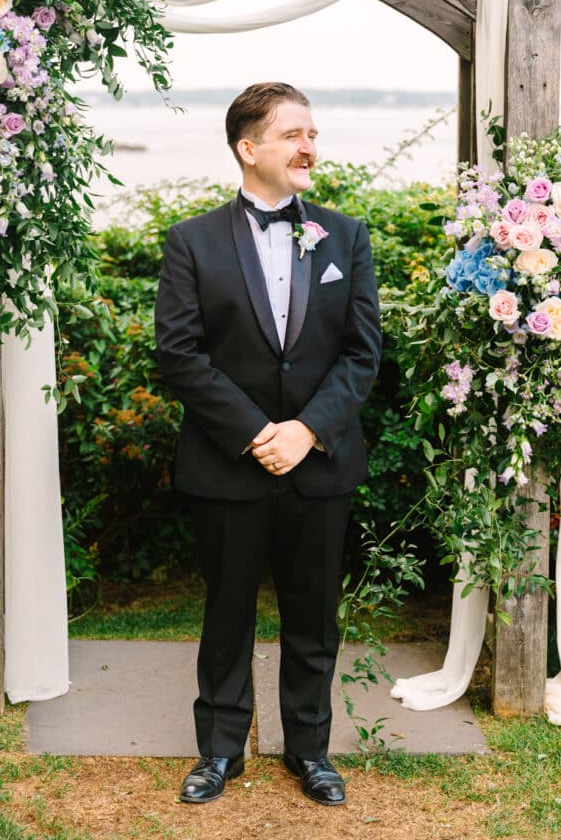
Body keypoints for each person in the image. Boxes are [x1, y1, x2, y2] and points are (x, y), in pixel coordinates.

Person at [155, 82, 382, 806]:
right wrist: (259, 433)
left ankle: (310, 751)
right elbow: (180, 355)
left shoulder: (345, 236)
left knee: (314, 619)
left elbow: (361, 353)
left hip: (319, 465)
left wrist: (307, 430)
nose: (308, 145)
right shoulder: (191, 240)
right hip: (229, 464)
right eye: (291, 134)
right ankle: (220, 751)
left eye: (311, 132)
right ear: (247, 148)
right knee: (226, 616)